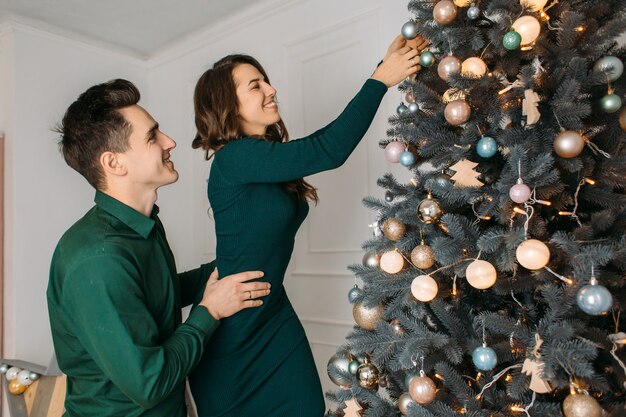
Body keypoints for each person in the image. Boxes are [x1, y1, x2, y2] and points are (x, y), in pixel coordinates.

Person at [189, 34, 428, 416]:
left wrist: (381, 71)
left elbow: (319, 143)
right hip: (233, 334)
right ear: (228, 105)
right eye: (256, 85)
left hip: (272, 318)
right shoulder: (233, 158)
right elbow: (328, 149)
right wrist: (380, 80)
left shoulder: (263, 158)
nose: (271, 89)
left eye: (266, 80)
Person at [47, 79, 271, 417]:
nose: (170, 142)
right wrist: (209, 311)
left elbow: (151, 297)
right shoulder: (97, 257)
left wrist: (228, 261)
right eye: (152, 136)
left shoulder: (143, 226)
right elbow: (149, 383)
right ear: (114, 163)